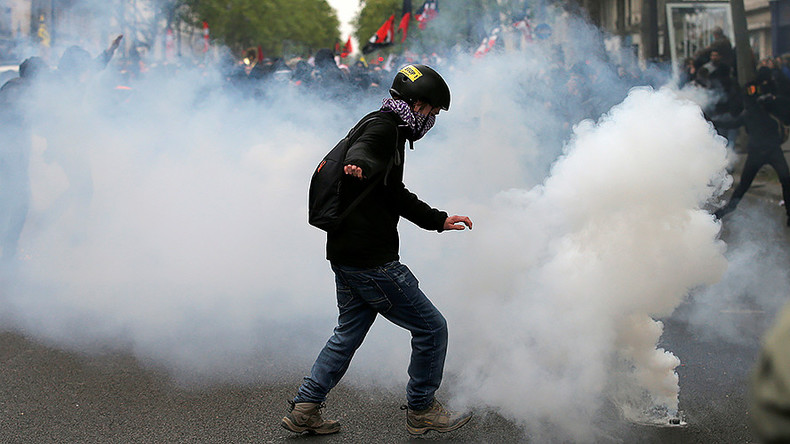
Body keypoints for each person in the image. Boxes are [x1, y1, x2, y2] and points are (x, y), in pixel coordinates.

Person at [282, 64, 474, 436]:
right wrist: (360, 164)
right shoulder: (384, 129)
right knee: (433, 329)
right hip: (372, 261)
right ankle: (421, 410)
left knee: (348, 333)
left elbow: (393, 193)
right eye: (432, 111)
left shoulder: (387, 125)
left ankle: (305, 408)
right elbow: (364, 152)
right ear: (417, 104)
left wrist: (439, 219)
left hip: (346, 254)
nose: (432, 119)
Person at [713, 67, 790, 224]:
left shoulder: (764, 108)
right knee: (783, 180)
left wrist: (711, 121)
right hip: (768, 151)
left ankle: (724, 211)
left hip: (763, 151)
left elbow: (732, 123)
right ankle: (724, 212)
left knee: (748, 185)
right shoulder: (758, 110)